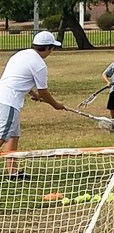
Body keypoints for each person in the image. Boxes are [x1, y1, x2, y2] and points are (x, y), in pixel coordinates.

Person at [1, 32, 68, 181]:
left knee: (13, 135)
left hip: (6, 97)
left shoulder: (21, 54)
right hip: (8, 101)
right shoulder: (39, 65)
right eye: (52, 48)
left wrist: (32, 93)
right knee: (2, 135)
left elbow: (18, 77)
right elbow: (44, 92)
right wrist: (56, 105)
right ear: (48, 48)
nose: (52, 52)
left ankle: (13, 172)